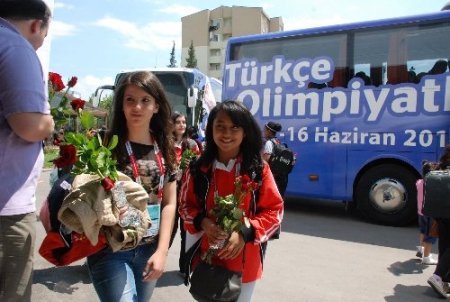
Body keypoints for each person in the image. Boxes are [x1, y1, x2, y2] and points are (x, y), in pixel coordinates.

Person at [86, 71, 177, 302]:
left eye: (145, 100)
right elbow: (92, 189)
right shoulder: (106, 142)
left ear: (156, 106)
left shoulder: (166, 147)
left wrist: (162, 251)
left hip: (149, 247)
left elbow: (169, 203)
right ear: (122, 105)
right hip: (111, 248)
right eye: (130, 100)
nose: (137, 106)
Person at [179, 100, 284, 301]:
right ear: (211, 130)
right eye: (220, 126)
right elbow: (185, 206)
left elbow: (275, 212)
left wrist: (245, 233)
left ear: (245, 132)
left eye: (235, 127)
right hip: (207, 260)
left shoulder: (258, 170)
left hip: (245, 263)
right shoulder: (197, 169)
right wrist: (203, 222)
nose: (226, 134)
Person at [0, 1, 54, 301]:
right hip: (5, 210)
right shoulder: (16, 47)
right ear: (37, 24)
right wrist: (48, 122)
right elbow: (30, 125)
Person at [170, 111, 200, 277]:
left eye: (183, 122)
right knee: (167, 230)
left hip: (187, 195)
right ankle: (155, 260)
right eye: (178, 122)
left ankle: (185, 267)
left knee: (186, 231)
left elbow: (200, 168)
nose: (181, 125)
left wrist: (192, 165)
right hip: (170, 194)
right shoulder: (165, 143)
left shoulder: (192, 145)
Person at [427, 144, 450, 298]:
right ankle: (438, 276)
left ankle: (444, 279)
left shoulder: (442, 166)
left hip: (441, 213)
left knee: (445, 244)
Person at [415, 161, 438, 265]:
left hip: (421, 212)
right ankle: (427, 257)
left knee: (423, 231)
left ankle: (421, 249)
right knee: (431, 234)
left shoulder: (419, 182)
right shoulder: (434, 184)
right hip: (431, 212)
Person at [262, 121, 288, 196]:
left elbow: (265, 161)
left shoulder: (269, 143)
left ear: (269, 131)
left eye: (265, 130)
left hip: (273, 177)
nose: (263, 132)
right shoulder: (277, 142)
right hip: (281, 177)